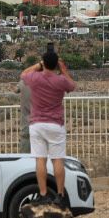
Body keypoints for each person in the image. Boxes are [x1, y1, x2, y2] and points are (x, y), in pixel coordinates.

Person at [21, 47, 77, 205]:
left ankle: (43, 193)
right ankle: (60, 194)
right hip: (55, 124)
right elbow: (72, 86)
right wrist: (64, 69)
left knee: (40, 160)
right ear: (56, 65)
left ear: (44, 63)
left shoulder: (35, 78)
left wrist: (38, 65)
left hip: (37, 123)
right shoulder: (60, 80)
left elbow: (23, 74)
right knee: (57, 160)